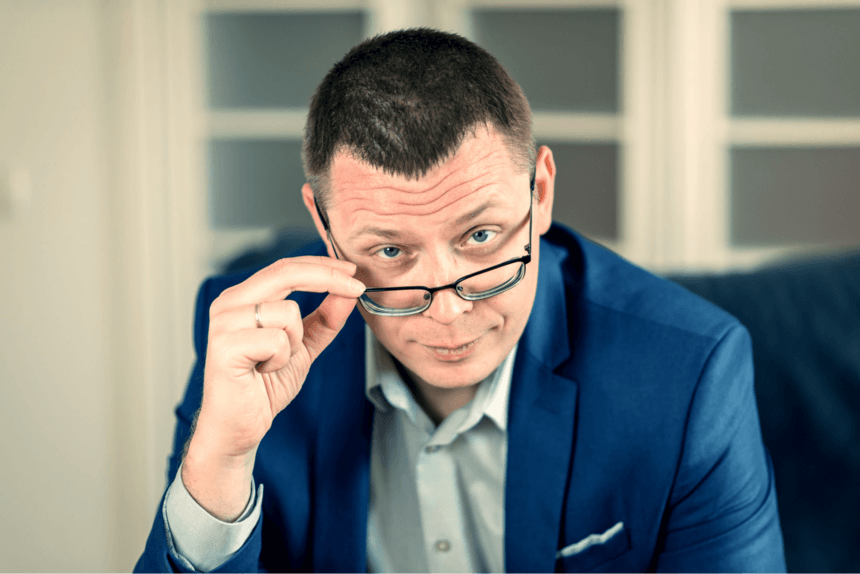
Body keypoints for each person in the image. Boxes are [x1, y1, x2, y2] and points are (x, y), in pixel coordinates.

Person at [135, 28, 785, 573]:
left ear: (540, 193)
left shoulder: (688, 372)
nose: (447, 311)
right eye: (391, 250)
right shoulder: (251, 344)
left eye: (480, 237)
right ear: (324, 225)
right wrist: (220, 458)